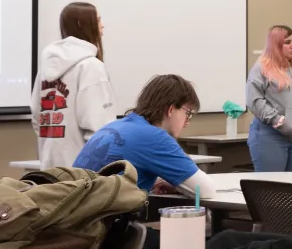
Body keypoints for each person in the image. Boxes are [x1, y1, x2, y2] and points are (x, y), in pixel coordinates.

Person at [74, 74, 217, 200]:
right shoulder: (155, 138)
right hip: (102, 227)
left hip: (73, 219)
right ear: (171, 110)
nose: (188, 122)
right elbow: (204, 190)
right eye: (188, 113)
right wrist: (179, 185)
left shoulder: (114, 126)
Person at [31, 1, 118, 169]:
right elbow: (101, 128)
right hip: (81, 174)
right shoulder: (91, 66)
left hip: (48, 166)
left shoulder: (45, 68)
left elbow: (36, 116)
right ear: (82, 24)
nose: (102, 26)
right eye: (98, 20)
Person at [246, 25, 292, 172]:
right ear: (275, 45)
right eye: (287, 42)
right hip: (271, 137)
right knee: (273, 187)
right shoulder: (261, 69)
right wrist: (277, 120)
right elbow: (255, 101)